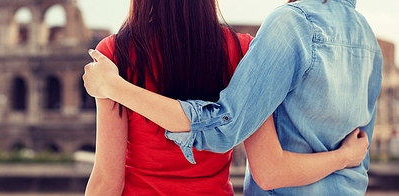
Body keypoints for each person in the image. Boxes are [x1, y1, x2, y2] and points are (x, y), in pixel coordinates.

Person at [84, 0, 374, 195]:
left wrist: (113, 85)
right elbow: (268, 165)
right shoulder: (240, 51)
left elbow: (107, 180)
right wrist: (345, 157)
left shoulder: (115, 56)